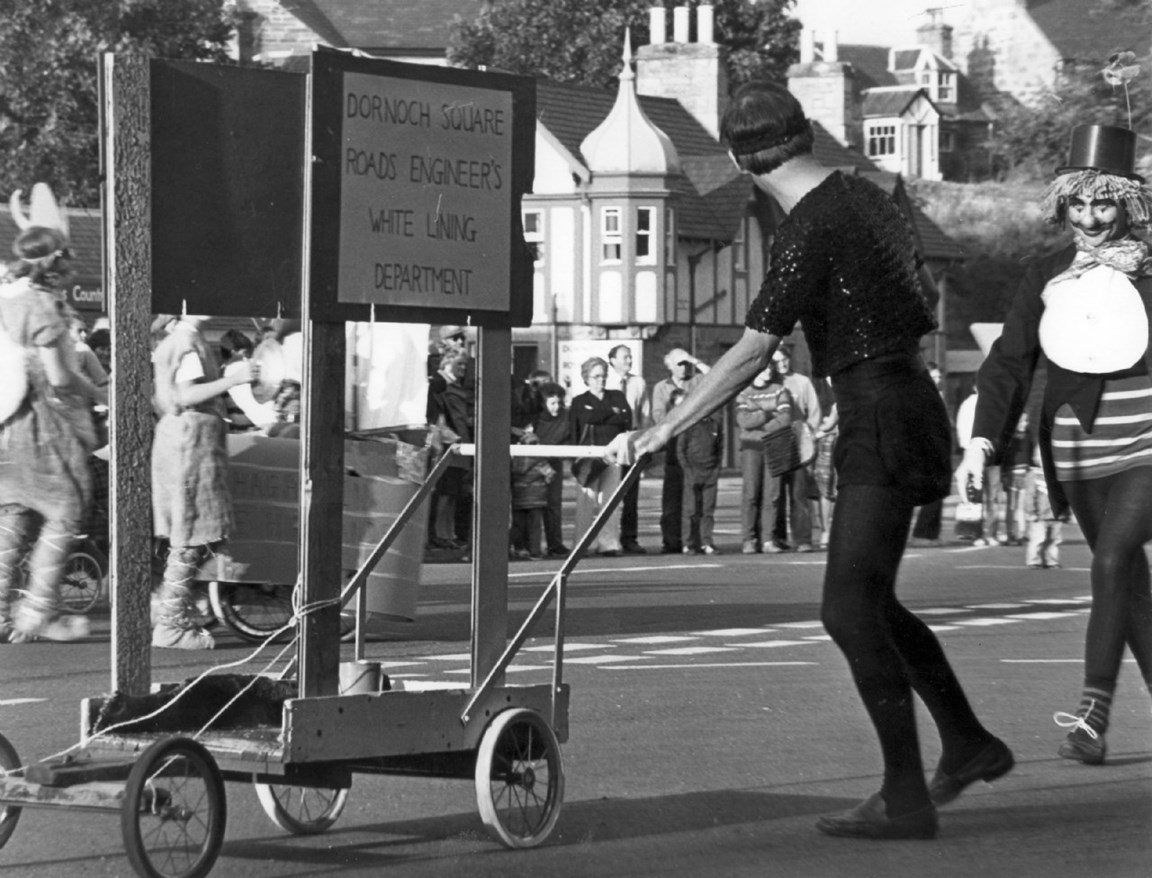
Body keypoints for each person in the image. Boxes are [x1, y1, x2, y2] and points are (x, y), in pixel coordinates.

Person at [607, 81, 1012, 840]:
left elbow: (753, 347)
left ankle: (906, 793)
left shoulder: (806, 229)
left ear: (741, 158)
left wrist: (664, 429)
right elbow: (917, 300)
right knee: (875, 602)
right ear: (805, 135)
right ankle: (965, 744)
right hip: (905, 402)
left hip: (877, 411)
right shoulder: (868, 199)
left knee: (848, 608)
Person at [955, 121, 1152, 766]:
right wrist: (980, 444)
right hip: (1076, 445)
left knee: (1112, 563)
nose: (1092, 218)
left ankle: (1092, 715)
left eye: (1104, 202)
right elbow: (1008, 363)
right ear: (1063, 203)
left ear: (1126, 200)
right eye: (1079, 203)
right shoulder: (1044, 272)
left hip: (1147, 437)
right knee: (1130, 585)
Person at [0, 185, 107, 642]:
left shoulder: (7, 298)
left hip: (7, 426)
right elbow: (60, 378)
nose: (74, 267)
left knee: (13, 518)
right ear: (55, 263)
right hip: (44, 428)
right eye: (68, 260)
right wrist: (101, 392)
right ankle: (38, 610)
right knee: (64, 512)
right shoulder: (41, 306)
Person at [151, 313, 257, 649]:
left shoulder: (179, 341)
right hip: (191, 447)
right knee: (192, 534)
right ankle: (170, 623)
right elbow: (185, 394)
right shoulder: (187, 342)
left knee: (190, 533)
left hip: (183, 443)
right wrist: (233, 379)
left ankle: (181, 602)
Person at [570, 356, 632, 556]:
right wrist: (609, 413)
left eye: (603, 376)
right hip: (588, 456)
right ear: (586, 378)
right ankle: (583, 543)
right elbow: (582, 421)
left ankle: (609, 543)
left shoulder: (617, 396)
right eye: (596, 376)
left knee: (611, 501)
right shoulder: (579, 401)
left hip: (613, 455)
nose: (601, 380)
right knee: (586, 502)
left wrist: (601, 413)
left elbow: (624, 417)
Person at [650, 348, 710, 554]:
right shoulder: (661, 387)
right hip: (674, 445)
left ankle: (694, 539)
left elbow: (714, 378)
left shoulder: (695, 382)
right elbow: (658, 416)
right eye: (679, 364)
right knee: (672, 497)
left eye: (686, 364)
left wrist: (694, 359)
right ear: (669, 366)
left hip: (694, 444)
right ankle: (671, 540)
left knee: (695, 499)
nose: (684, 368)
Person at [735, 363, 793, 554]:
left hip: (775, 446)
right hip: (751, 448)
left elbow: (785, 418)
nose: (768, 372)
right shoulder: (744, 392)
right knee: (751, 493)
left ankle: (768, 539)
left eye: (770, 369)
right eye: (764, 369)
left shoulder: (780, 391)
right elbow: (743, 420)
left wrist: (761, 423)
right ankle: (749, 539)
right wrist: (768, 413)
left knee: (773, 494)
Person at [770, 345, 821, 552]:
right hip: (776, 441)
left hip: (798, 441)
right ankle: (778, 537)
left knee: (799, 493)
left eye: (784, 360)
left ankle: (803, 539)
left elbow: (814, 412)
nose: (781, 365)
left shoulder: (802, 382)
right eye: (776, 361)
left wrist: (810, 438)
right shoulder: (769, 382)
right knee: (776, 494)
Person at [426, 349, 475, 551]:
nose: (463, 368)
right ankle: (439, 533)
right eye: (459, 364)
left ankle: (446, 533)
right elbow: (440, 419)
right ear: (446, 364)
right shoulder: (442, 387)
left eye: (465, 364)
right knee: (444, 492)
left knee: (452, 493)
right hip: (448, 446)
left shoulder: (455, 388)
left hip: (459, 444)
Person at [605, 344, 649, 553]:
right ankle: (607, 539)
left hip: (631, 442)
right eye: (624, 357)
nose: (629, 361)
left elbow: (645, 414)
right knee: (609, 493)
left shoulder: (638, 382)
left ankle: (629, 537)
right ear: (612, 360)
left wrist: (645, 442)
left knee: (630, 494)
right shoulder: (606, 382)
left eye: (630, 357)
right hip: (611, 441)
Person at [671, 389, 723, 554]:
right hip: (692, 473)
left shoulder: (715, 425)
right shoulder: (689, 426)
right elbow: (681, 450)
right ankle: (688, 543)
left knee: (707, 510)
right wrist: (688, 470)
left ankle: (706, 542)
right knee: (690, 510)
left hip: (710, 474)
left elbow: (720, 449)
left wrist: (716, 469)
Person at [955, 388, 1004, 545]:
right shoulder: (970, 404)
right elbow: (962, 428)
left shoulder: (993, 403)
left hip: (989, 451)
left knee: (987, 496)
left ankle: (986, 534)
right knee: (983, 496)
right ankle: (982, 534)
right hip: (978, 452)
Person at [909, 361, 946, 547]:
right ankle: (922, 533)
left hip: (938, 447)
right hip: (925, 448)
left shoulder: (937, 395)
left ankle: (931, 533)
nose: (939, 379)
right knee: (932, 490)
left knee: (939, 491)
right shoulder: (921, 395)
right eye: (935, 376)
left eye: (940, 376)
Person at [533, 383, 571, 557]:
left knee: (554, 504)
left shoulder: (565, 417)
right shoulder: (535, 419)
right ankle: (531, 545)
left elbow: (569, 438)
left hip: (554, 465)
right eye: (552, 403)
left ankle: (555, 544)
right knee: (532, 505)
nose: (556, 407)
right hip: (534, 465)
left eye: (558, 403)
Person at [509, 432, 554, 560]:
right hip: (536, 497)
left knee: (517, 525)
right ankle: (534, 551)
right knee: (535, 526)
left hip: (518, 495)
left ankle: (514, 547)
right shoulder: (540, 461)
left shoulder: (515, 460)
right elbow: (550, 475)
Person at [1023, 443, 1064, 569]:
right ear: (1036, 458)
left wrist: (1065, 511)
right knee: (1038, 538)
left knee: (1054, 540)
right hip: (1039, 515)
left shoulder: (1058, 474)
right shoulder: (1033, 475)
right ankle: (1033, 560)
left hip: (1055, 515)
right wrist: (1031, 511)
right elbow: (1029, 495)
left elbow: (1063, 495)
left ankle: (1051, 560)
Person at [812, 376, 839, 550]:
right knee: (825, 487)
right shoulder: (818, 384)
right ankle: (825, 531)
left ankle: (841, 531)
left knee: (842, 487)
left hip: (845, 440)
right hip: (825, 442)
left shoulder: (850, 379)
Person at [1000, 414, 1034, 547]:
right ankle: (1010, 533)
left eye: (1026, 421)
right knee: (1011, 506)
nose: (1025, 423)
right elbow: (1004, 457)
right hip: (1011, 475)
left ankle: (1021, 533)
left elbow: (1030, 455)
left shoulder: (1028, 436)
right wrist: (1003, 474)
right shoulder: (1009, 437)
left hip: (1024, 474)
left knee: (1021, 507)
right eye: (1022, 421)